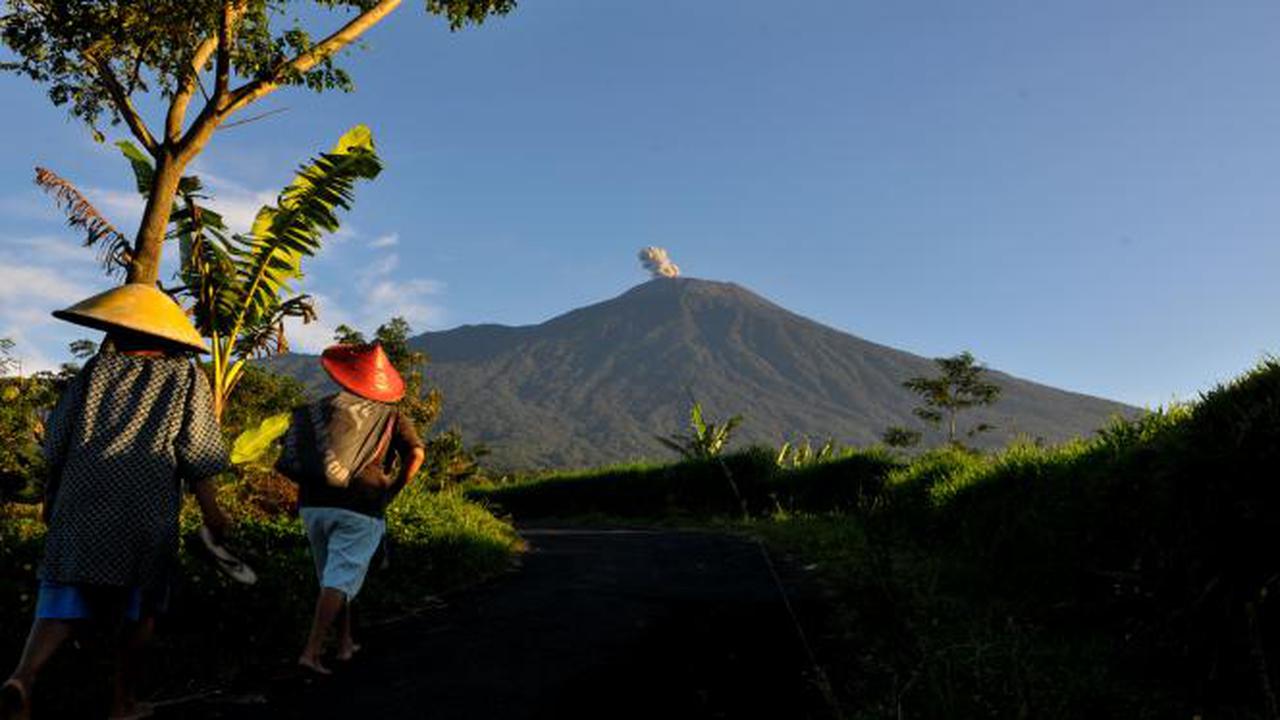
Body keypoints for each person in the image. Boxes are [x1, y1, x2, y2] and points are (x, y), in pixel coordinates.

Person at [0, 283, 231, 720]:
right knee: (140, 603)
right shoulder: (184, 377)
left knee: (63, 594)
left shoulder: (94, 370)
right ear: (167, 337)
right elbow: (196, 452)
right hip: (144, 506)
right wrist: (213, 513)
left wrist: (51, 499)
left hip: (79, 498)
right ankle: (121, 702)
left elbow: (56, 445)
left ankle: (23, 677)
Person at [278, 342, 425, 675]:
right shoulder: (392, 415)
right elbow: (416, 454)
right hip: (360, 508)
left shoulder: (319, 409)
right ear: (382, 386)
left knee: (335, 577)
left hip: (313, 506)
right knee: (340, 579)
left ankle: (345, 643)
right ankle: (311, 652)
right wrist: (394, 488)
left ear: (347, 378)